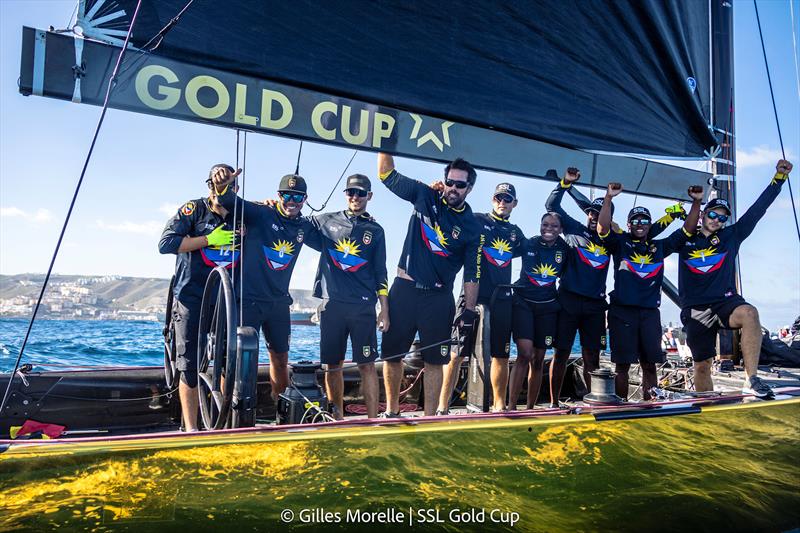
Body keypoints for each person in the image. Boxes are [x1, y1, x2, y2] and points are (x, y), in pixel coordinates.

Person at [377, 153, 483, 417]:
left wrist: (468, 311)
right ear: (444, 181)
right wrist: (385, 136)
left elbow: (473, 272)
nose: (453, 188)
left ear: (469, 189)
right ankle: (392, 412)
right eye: (450, 182)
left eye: (460, 185)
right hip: (404, 290)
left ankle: (430, 417)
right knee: (392, 355)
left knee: (436, 360)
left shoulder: (472, 227)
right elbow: (386, 175)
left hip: (438, 297)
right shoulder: (425, 195)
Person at [677, 159, 793, 398]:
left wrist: (778, 179)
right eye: (712, 215)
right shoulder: (684, 239)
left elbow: (757, 211)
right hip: (695, 308)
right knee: (702, 366)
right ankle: (707, 409)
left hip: (724, 302)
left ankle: (751, 379)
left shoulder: (732, 236)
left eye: (722, 218)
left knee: (750, 313)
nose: (717, 220)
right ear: (703, 215)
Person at [212, 168, 318, 400]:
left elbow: (333, 242)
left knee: (280, 359)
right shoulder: (261, 213)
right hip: (247, 300)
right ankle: (226, 407)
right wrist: (222, 185)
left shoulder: (305, 226)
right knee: (236, 358)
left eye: (297, 197)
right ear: (278, 196)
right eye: (286, 195)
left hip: (278, 304)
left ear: (305, 200)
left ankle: (277, 407)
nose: (292, 201)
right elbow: (229, 200)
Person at [597, 182, 703, 400]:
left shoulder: (660, 247)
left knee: (650, 365)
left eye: (645, 220)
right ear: (628, 224)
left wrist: (696, 201)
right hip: (622, 312)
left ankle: (650, 406)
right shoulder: (620, 243)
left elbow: (688, 230)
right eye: (635, 220)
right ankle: (621, 406)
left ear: (650, 225)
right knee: (622, 367)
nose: (640, 224)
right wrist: (608, 198)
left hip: (649, 314)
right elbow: (602, 229)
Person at [158, 164, 238, 431]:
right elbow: (166, 244)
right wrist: (207, 239)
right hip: (191, 298)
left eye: (228, 187)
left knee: (227, 363)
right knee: (189, 366)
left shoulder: (243, 214)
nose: (220, 192)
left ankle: (224, 424)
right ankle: (192, 429)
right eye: (216, 185)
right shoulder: (193, 210)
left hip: (226, 301)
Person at [309, 174, 390, 419]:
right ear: (345, 194)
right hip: (331, 305)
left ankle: (373, 420)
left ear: (369, 196)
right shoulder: (325, 221)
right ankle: (336, 418)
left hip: (362, 307)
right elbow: (292, 218)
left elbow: (381, 272)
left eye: (360, 193)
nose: (355, 197)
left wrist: (384, 309)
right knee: (333, 365)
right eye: (351, 192)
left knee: (367, 365)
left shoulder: (375, 230)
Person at [438, 183, 524, 413]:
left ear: (514, 203)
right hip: (471, 297)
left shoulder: (516, 233)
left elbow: (537, 250)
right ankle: (442, 407)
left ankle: (499, 406)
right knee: (456, 353)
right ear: (492, 199)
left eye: (507, 199)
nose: (502, 203)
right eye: (498, 198)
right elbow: (448, 219)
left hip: (502, 300)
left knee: (501, 354)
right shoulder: (475, 220)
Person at [544, 167, 612, 404]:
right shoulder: (574, 228)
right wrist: (565, 184)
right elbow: (551, 206)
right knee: (561, 353)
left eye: (600, 213)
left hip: (595, 305)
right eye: (591, 213)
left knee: (591, 356)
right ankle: (553, 403)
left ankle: (594, 401)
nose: (594, 217)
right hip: (568, 301)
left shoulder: (611, 239)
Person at [508, 212, 569, 409]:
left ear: (561, 229)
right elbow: (502, 252)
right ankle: (510, 407)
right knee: (525, 354)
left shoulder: (565, 249)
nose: (548, 229)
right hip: (524, 303)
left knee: (538, 359)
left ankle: (530, 408)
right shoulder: (528, 244)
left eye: (553, 226)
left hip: (548, 307)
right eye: (544, 225)